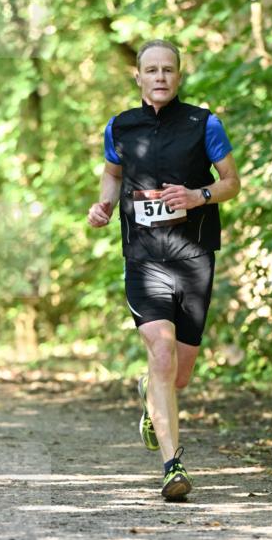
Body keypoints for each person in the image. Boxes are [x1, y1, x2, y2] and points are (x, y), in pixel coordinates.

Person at [87, 39, 241, 501]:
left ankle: (150, 394)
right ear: (138, 76)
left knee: (179, 374)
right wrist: (103, 206)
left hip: (194, 257)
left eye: (167, 70)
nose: (160, 77)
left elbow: (231, 182)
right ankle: (173, 466)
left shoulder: (203, 123)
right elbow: (112, 174)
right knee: (161, 348)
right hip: (143, 256)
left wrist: (198, 196)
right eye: (151, 70)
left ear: (178, 76)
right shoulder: (120, 126)